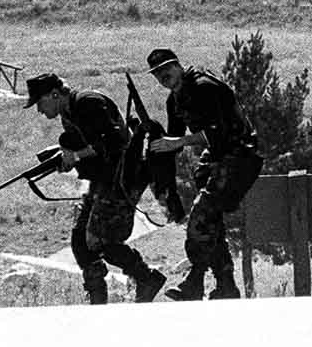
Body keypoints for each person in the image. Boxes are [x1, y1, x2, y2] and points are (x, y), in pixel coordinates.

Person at [25, 72, 166, 306]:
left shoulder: (87, 103)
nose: (39, 110)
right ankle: (97, 301)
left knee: (102, 242)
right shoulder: (69, 112)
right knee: (81, 241)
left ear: (55, 94)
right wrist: (65, 157)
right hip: (104, 180)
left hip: (122, 177)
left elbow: (115, 142)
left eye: (40, 102)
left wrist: (75, 155)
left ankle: (147, 278)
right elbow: (85, 146)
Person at [145, 47, 263, 300]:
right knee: (210, 223)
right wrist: (153, 142)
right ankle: (225, 285)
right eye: (157, 74)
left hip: (240, 154)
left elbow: (218, 132)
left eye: (166, 69)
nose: (163, 76)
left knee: (200, 219)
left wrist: (176, 142)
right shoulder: (174, 99)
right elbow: (173, 139)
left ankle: (195, 280)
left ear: (177, 65)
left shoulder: (203, 87)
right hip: (218, 157)